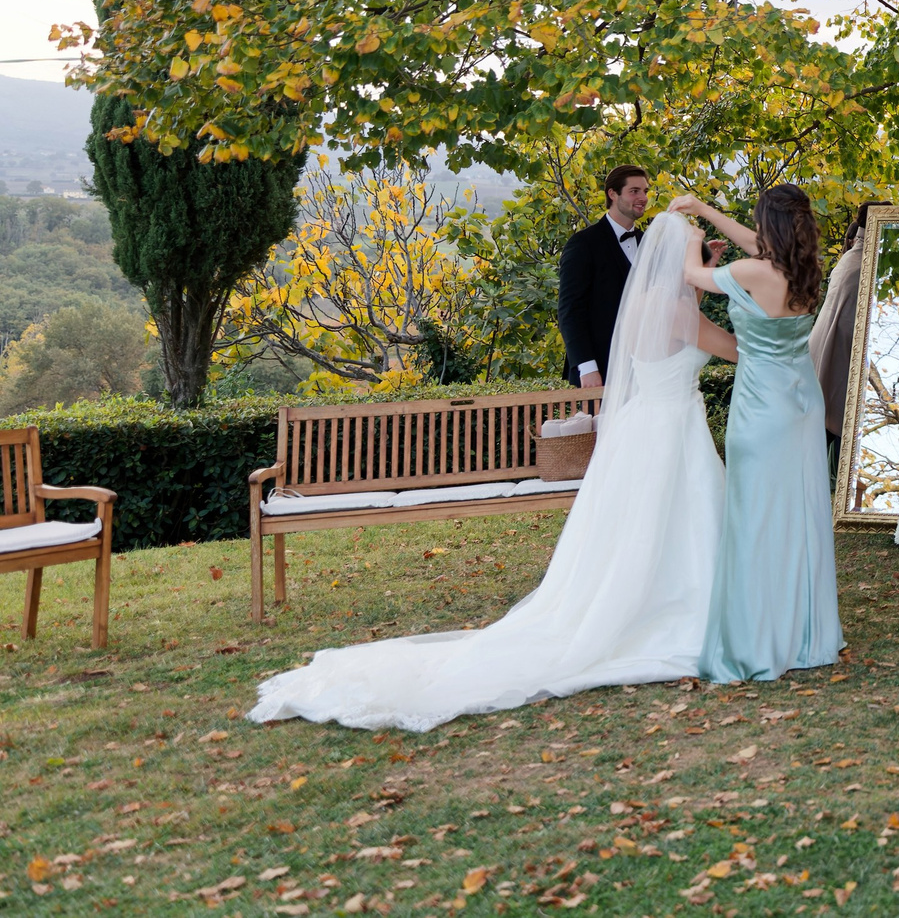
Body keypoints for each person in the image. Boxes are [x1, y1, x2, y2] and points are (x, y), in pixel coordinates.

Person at [250, 214, 738, 729]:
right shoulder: (678, 311)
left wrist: (699, 279)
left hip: (650, 429)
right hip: (669, 432)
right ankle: (677, 611)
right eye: (694, 251)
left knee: (646, 529)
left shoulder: (643, 301)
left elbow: (679, 325)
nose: (699, 259)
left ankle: (654, 600)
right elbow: (729, 347)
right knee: (674, 521)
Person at [675, 185, 844, 683]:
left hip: (763, 410)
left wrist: (690, 235)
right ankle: (806, 631)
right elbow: (754, 245)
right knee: (800, 513)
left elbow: (691, 275)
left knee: (757, 517)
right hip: (801, 402)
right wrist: (705, 210)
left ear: (767, 224)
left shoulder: (754, 272)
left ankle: (758, 636)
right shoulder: (802, 266)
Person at [557, 164, 653, 388]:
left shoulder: (648, 243)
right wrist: (587, 367)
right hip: (600, 370)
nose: (643, 198)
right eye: (634, 191)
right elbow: (569, 311)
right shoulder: (583, 244)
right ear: (612, 194)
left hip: (645, 370)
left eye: (645, 191)